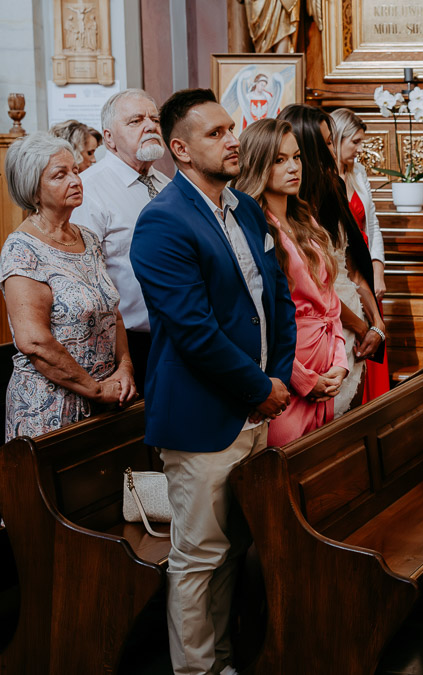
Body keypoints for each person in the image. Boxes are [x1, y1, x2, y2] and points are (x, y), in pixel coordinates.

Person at [130, 88, 296, 675]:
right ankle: (196, 669)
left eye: (232, 129)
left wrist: (277, 379)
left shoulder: (245, 208)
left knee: (233, 550)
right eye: (216, 133)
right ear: (180, 149)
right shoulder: (163, 221)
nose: (233, 140)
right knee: (199, 556)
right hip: (203, 414)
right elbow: (193, 331)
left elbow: (276, 299)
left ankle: (223, 661)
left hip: (256, 406)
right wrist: (258, 388)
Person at [0, 133, 137, 441]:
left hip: (106, 399)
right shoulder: (22, 249)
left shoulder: (88, 238)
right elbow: (35, 342)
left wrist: (125, 367)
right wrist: (96, 390)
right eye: (60, 175)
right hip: (50, 409)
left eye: (75, 170)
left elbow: (113, 313)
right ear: (33, 190)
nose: (76, 180)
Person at [235, 118, 348, 444]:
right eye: (279, 160)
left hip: (326, 366)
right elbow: (259, 317)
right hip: (287, 372)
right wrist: (301, 378)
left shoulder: (304, 217)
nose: (293, 167)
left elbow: (330, 302)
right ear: (257, 165)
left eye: (296, 157)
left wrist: (339, 362)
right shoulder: (253, 226)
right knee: (286, 458)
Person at [280, 104, 386, 417]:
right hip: (320, 325)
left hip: (354, 314)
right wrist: (360, 325)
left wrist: (376, 323)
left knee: (351, 416)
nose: (332, 149)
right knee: (323, 417)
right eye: (326, 142)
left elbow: (353, 267)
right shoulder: (287, 206)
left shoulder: (333, 187)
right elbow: (312, 285)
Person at [71, 88, 169, 392]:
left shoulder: (168, 186)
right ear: (109, 138)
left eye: (154, 119)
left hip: (178, 335)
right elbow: (85, 280)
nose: (150, 126)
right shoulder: (89, 190)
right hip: (126, 345)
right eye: (136, 121)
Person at [329, 108, 390, 405]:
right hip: (342, 264)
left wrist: (378, 270)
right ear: (337, 139)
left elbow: (372, 224)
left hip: (364, 265)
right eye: (355, 142)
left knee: (374, 333)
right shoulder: (323, 180)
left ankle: (373, 405)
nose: (359, 148)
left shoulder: (358, 172)